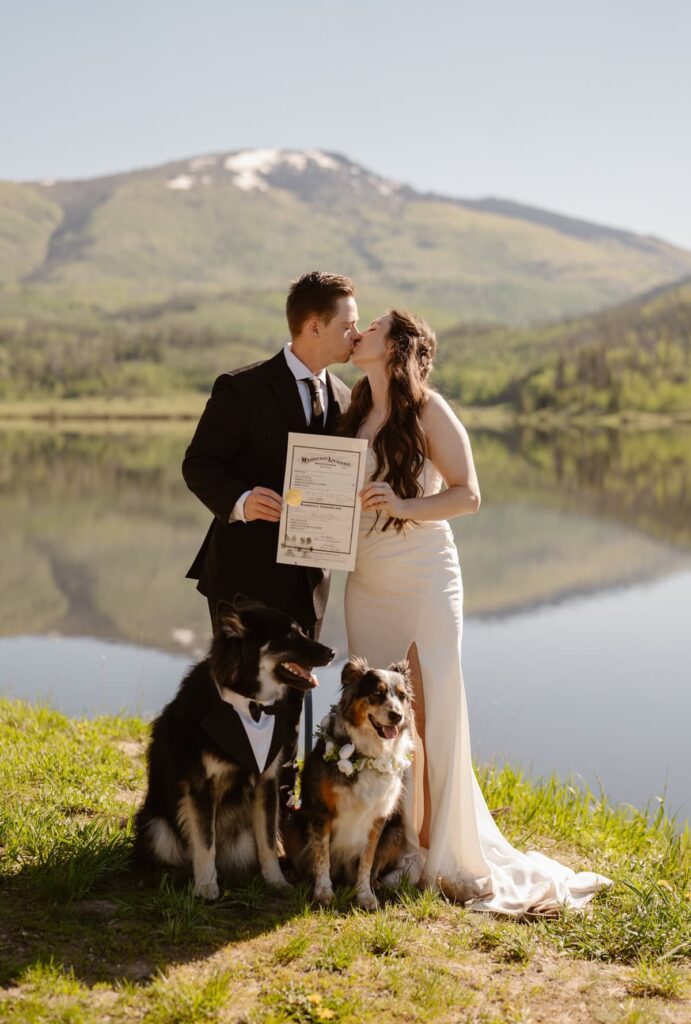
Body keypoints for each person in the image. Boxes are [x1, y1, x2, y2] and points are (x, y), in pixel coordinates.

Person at [342, 309, 613, 917]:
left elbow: (469, 494)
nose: (361, 332)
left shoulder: (429, 410)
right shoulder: (355, 408)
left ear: (397, 347)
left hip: (423, 575)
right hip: (366, 577)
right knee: (374, 713)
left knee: (426, 712)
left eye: (375, 327)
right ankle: (382, 845)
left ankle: (429, 849)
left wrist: (405, 503)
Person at [182, 270, 359, 808]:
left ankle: (279, 810)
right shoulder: (241, 387)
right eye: (348, 325)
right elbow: (198, 464)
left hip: (309, 577)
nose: (356, 335)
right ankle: (222, 808)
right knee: (236, 693)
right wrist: (240, 500)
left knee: (294, 692)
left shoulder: (348, 399)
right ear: (313, 326)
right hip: (242, 579)